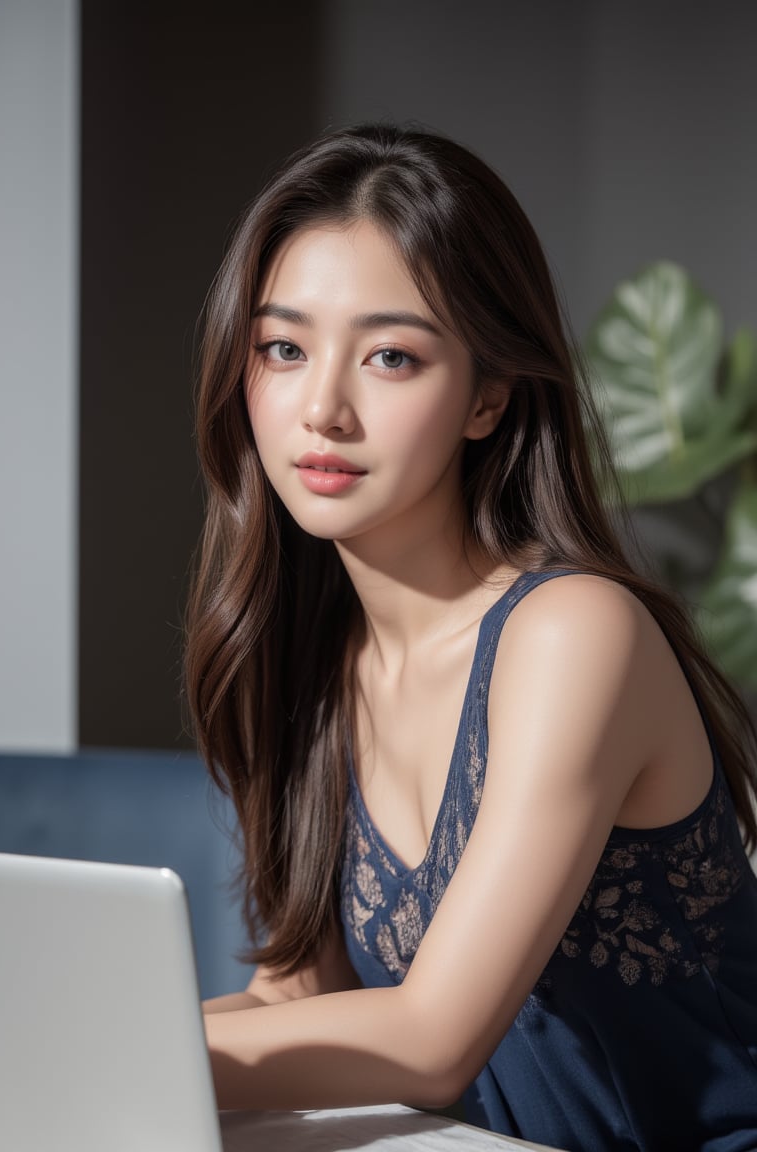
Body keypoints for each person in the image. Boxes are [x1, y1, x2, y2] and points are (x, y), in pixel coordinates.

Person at [185, 124, 757, 1151]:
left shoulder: (576, 634)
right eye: (283, 347)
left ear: (488, 397)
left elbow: (431, 1037)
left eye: (391, 356)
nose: (322, 406)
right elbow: (291, 998)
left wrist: (148, 1050)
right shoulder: (314, 664)